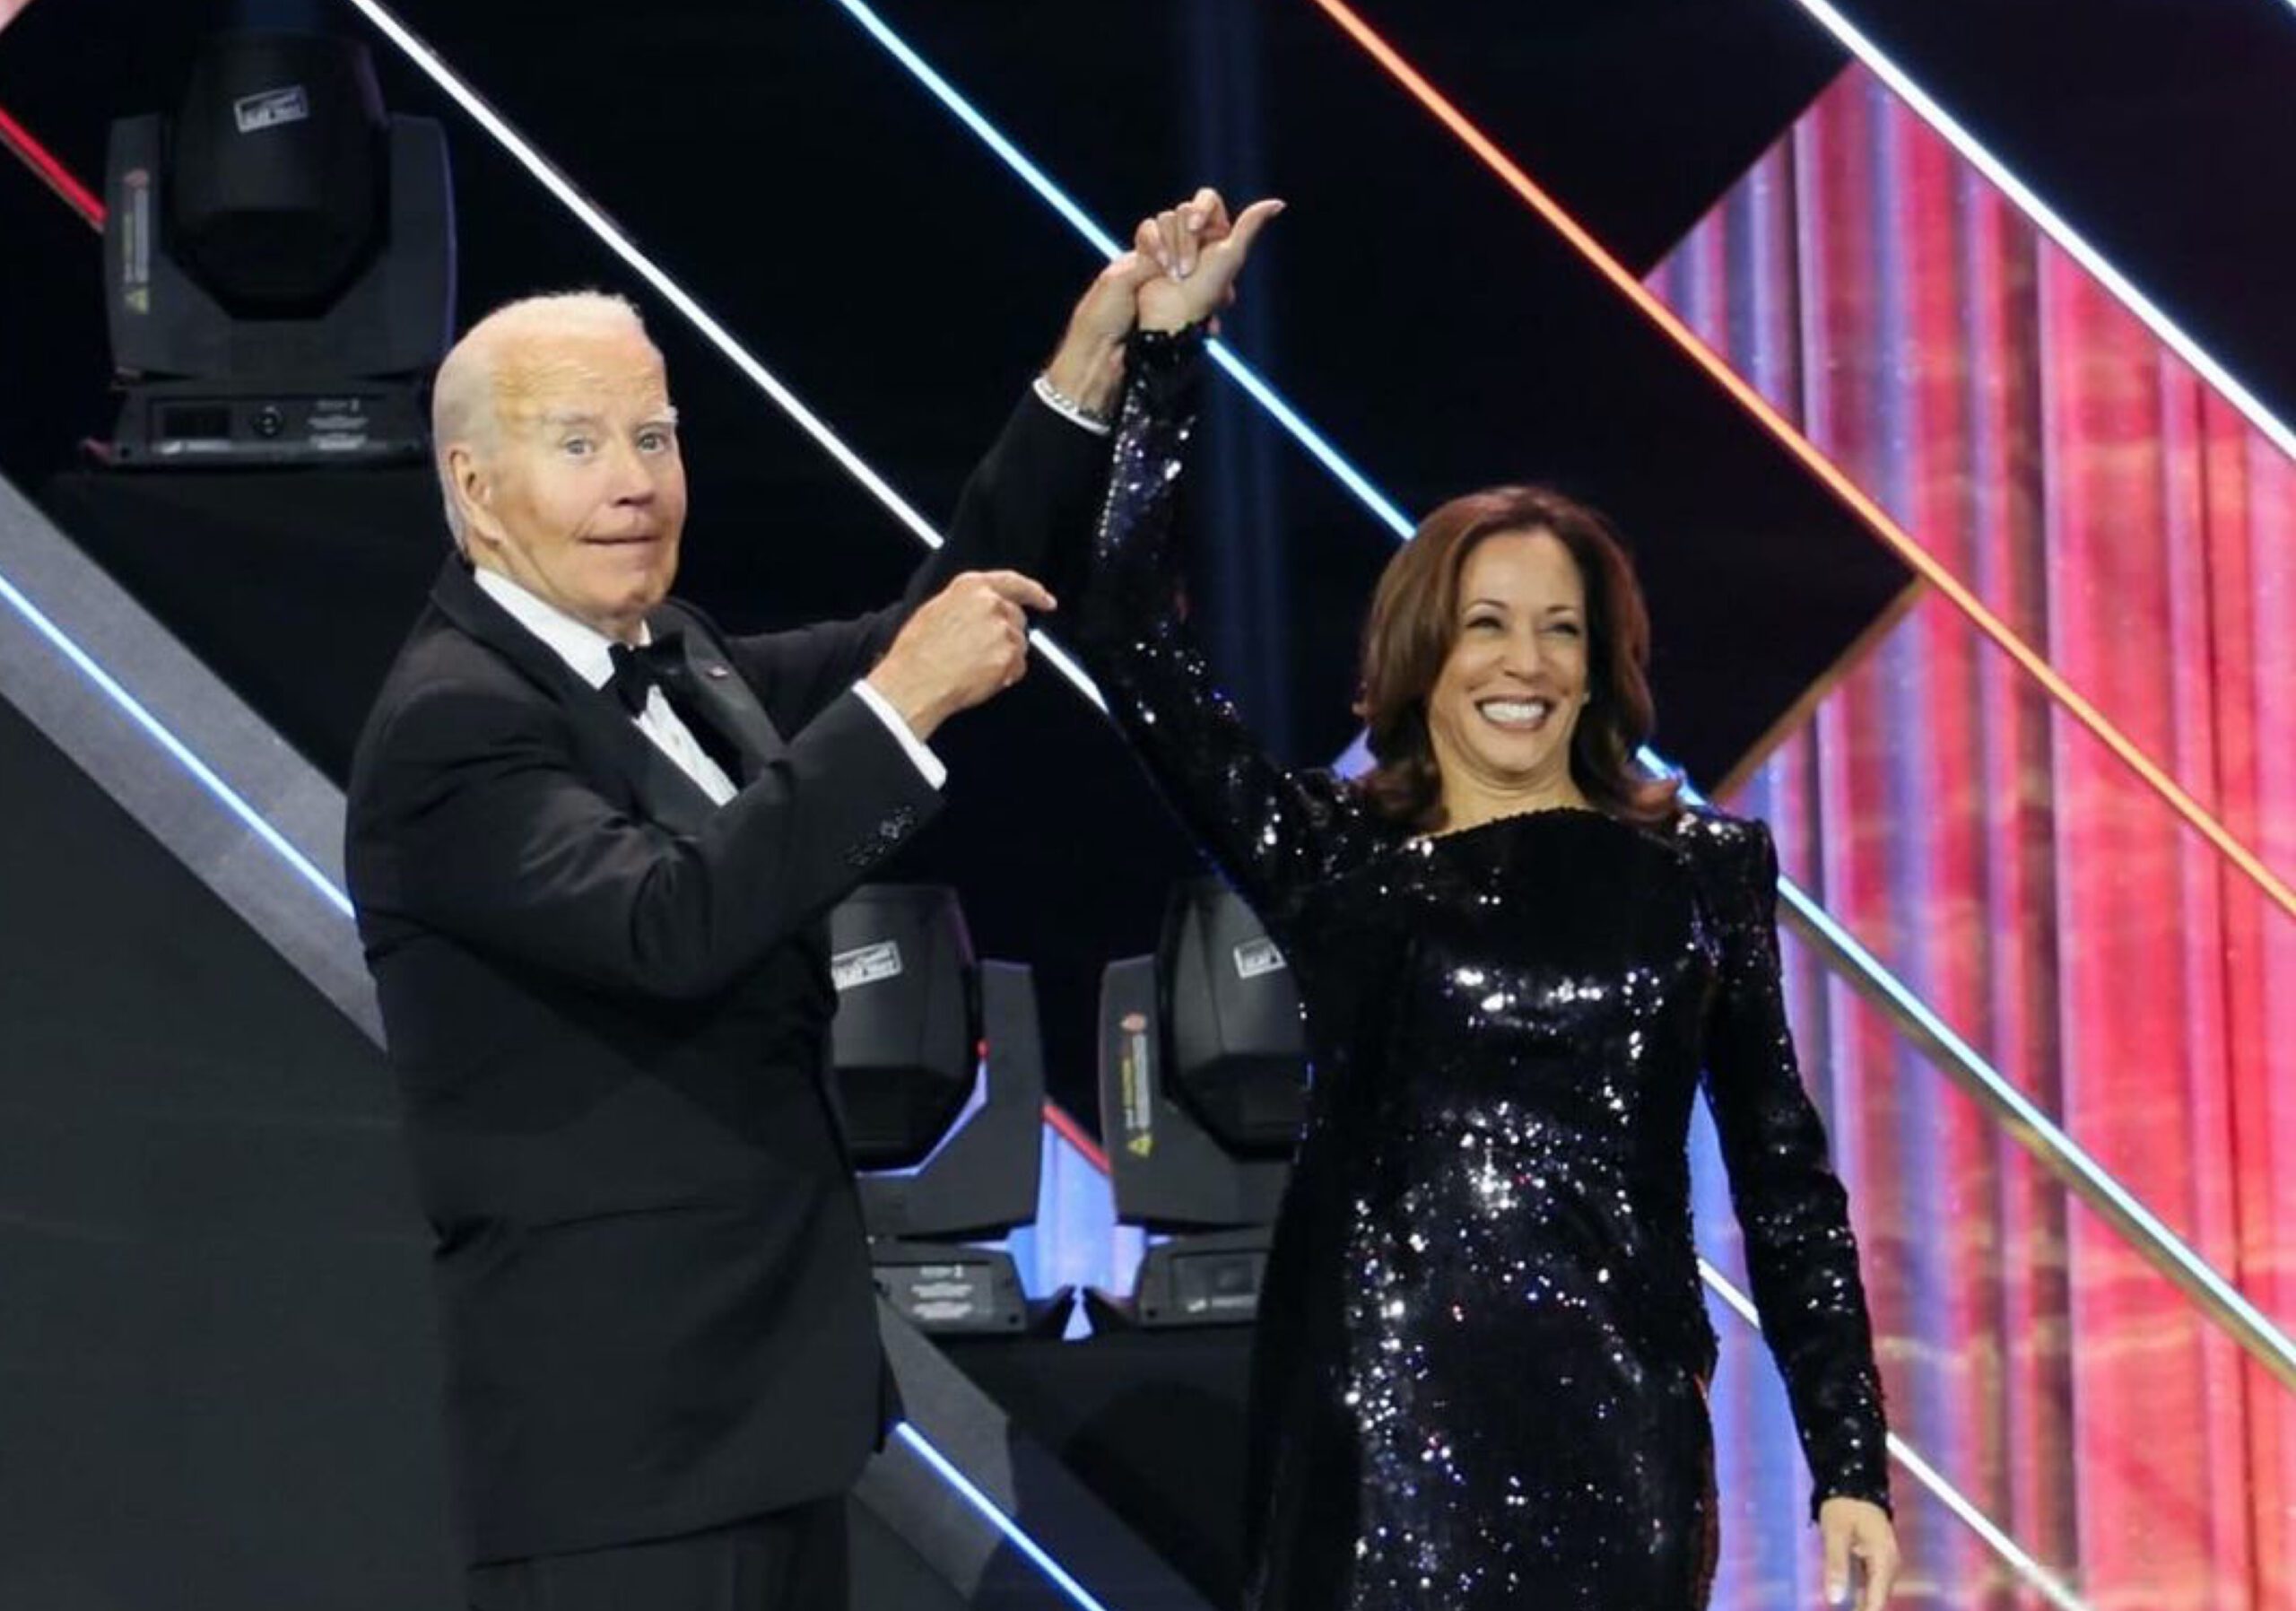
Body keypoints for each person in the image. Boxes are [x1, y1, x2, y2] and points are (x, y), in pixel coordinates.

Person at [1070, 196, 1902, 1611]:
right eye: (1488, 622)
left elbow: (1785, 1183)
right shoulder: (1332, 853)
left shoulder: (1702, 873)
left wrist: (1849, 1462)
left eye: (1562, 626)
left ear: (1604, 661)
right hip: (1376, 1421)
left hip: (1617, 1429)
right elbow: (1131, 646)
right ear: (1422, 649)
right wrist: (1163, 366)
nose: (1526, 662)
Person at [343, 219, 1178, 1609]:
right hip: (623, 1464)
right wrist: (903, 704)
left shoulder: (674, 654)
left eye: (655, 439)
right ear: (477, 493)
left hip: (763, 1428)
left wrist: (1095, 366)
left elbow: (935, 617)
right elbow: (671, 925)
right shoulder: (456, 728)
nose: (634, 485)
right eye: (582, 446)